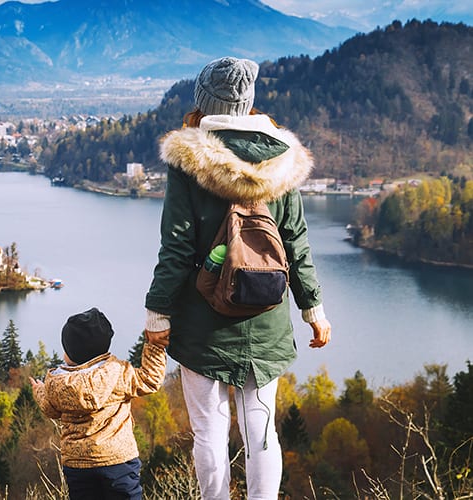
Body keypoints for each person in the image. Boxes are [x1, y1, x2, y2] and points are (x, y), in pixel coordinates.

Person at [143, 56, 333, 500]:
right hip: (265, 314)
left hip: (203, 317)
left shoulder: (190, 160)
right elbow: (295, 242)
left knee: (208, 432)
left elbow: (175, 247)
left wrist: (157, 314)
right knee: (261, 429)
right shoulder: (283, 159)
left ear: (205, 103)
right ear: (247, 103)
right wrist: (314, 309)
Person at [31, 307, 167, 500]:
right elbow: (150, 380)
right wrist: (155, 345)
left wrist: (39, 391)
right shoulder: (117, 373)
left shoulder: (56, 384)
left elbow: (49, 409)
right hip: (118, 461)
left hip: (78, 465)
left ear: (69, 352)